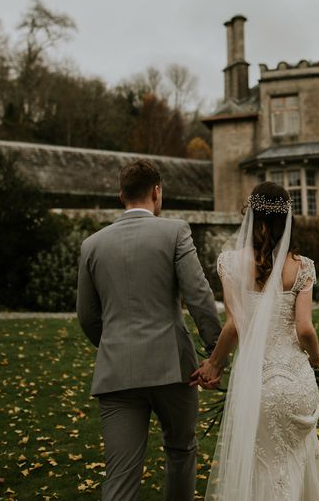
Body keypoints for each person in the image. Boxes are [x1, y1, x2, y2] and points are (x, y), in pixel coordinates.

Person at [77, 159, 222, 501]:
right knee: (181, 450)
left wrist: (115, 345)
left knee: (121, 474)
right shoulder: (174, 231)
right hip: (173, 369)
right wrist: (216, 355)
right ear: (157, 192)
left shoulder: (92, 245)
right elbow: (199, 295)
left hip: (117, 372)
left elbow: (87, 316)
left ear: (120, 196)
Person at [192, 181, 319, 500]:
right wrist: (317, 360)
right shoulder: (303, 267)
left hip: (257, 384)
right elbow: (305, 330)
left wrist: (214, 364)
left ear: (250, 217)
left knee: (262, 465)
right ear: (288, 220)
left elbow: (234, 325)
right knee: (298, 458)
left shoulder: (230, 263)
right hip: (297, 383)